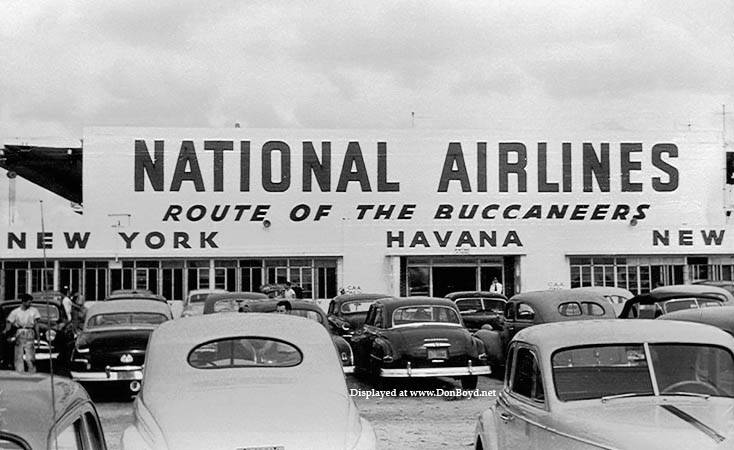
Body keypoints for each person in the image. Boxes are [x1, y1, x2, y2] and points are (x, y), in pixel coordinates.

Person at [3, 293, 41, 373]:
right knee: (18, 354)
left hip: (29, 331)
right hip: (19, 332)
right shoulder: (16, 312)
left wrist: (38, 336)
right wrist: (7, 332)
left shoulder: (34, 311)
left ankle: (32, 370)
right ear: (23, 302)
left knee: (30, 355)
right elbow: (9, 322)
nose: (30, 304)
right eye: (28, 302)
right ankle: (19, 371)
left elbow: (36, 324)